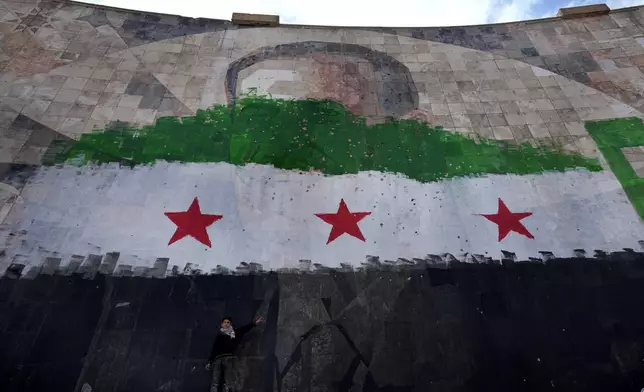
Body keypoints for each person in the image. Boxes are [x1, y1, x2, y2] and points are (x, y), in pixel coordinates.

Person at [206, 316, 265, 392]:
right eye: (225, 322)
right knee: (215, 381)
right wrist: (210, 361)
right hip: (218, 359)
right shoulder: (219, 336)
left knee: (228, 381)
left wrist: (255, 323)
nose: (226, 324)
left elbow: (244, 329)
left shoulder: (235, 333)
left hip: (229, 359)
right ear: (222, 324)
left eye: (228, 322)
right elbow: (214, 349)